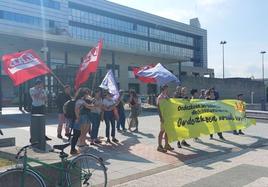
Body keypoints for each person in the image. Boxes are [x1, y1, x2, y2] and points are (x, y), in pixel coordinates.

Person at [70, 88, 95, 155]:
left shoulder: (80, 100)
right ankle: (79, 146)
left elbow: (89, 107)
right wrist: (77, 118)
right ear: (83, 94)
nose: (87, 94)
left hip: (81, 118)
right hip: (80, 118)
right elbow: (77, 110)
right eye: (86, 93)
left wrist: (92, 102)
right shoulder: (80, 101)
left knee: (79, 133)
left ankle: (79, 146)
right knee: (79, 133)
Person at [157, 85, 174, 152]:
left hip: (168, 117)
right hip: (163, 117)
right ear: (163, 89)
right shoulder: (160, 97)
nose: (167, 90)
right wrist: (161, 117)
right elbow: (158, 108)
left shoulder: (166, 96)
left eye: (167, 88)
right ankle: (159, 146)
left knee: (167, 131)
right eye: (166, 88)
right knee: (162, 131)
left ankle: (166, 145)